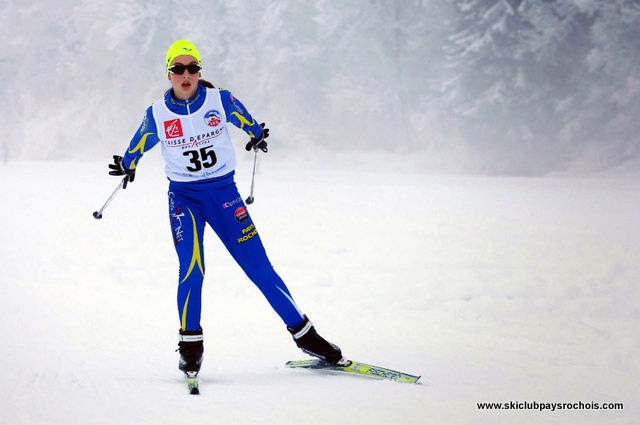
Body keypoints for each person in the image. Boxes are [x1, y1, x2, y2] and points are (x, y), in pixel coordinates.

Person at [108, 40, 343, 376]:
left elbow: (248, 122)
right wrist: (127, 164)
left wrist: (256, 134)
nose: (185, 75)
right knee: (192, 268)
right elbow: (139, 144)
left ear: (200, 72)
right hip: (185, 200)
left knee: (260, 268)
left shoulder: (221, 100)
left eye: (192, 68)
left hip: (224, 196)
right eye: (178, 69)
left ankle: (307, 336)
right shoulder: (157, 113)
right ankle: (191, 346)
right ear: (169, 74)